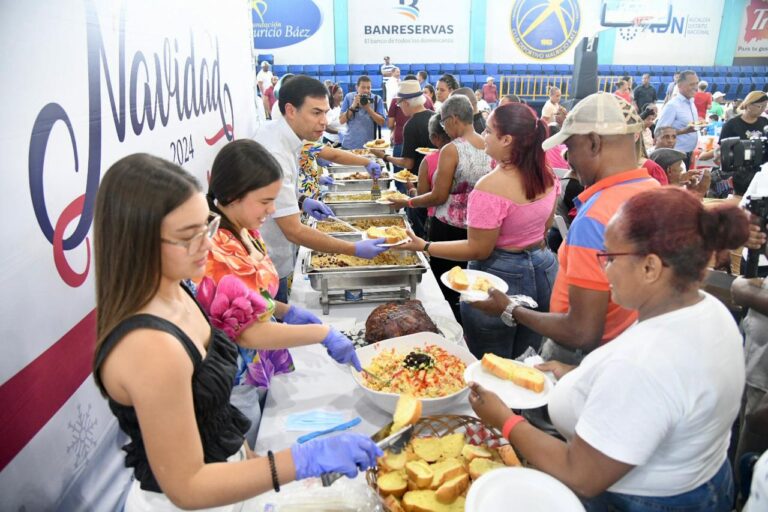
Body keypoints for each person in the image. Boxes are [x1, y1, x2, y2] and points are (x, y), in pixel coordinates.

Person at [92, 154, 381, 511]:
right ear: (137, 241)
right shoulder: (150, 347)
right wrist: (298, 461)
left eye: (207, 227)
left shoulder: (179, 289)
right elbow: (189, 486)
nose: (206, 244)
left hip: (227, 479)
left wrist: (251, 459)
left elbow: (215, 417)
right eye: (188, 236)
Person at [468, 187, 749, 510]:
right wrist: (579, 374)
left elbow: (582, 473)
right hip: (705, 481)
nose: (604, 270)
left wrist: (503, 419)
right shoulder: (707, 309)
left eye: (611, 258)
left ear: (650, 268)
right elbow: (671, 399)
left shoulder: (644, 363)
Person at [470, 92, 659, 364]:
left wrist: (510, 308)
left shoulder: (595, 219)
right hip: (623, 348)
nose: (568, 159)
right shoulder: (654, 191)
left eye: (571, 147)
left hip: (583, 358)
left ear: (593, 143)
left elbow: (582, 332)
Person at [202, 140, 363, 445]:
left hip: (256, 370)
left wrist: (287, 311)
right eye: (265, 201)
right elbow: (249, 334)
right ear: (234, 195)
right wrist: (321, 333)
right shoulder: (217, 252)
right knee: (252, 447)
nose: (272, 210)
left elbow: (253, 298)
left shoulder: (243, 227)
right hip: (233, 384)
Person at [401, 103, 558, 358]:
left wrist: (425, 246)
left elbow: (479, 249)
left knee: (489, 358)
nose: (483, 137)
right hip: (544, 268)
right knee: (527, 355)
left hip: (500, 275)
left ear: (506, 139)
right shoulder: (546, 174)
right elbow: (546, 226)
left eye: (487, 131)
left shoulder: (491, 186)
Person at [254, 76, 388, 302]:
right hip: (269, 262)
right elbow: (294, 230)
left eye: (326, 112)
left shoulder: (287, 136)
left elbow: (273, 193)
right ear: (291, 110)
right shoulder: (274, 152)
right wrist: (354, 249)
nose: (324, 121)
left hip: (277, 254)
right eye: (316, 113)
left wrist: (300, 200)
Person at [389, 95, 491, 321]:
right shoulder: (488, 144)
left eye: (444, 123)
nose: (444, 128)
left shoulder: (452, 150)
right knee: (470, 287)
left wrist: (408, 201)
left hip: (448, 229)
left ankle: (450, 329)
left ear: (454, 119)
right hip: (480, 230)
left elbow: (438, 196)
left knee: (446, 288)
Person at [371, 79, 435, 237]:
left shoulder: (411, 125)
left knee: (418, 228)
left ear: (406, 102)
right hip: (436, 182)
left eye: (400, 103)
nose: (400, 107)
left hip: (419, 184)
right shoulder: (435, 117)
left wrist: (385, 156)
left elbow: (408, 162)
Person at [657, 70, 700, 168]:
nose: (696, 87)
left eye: (697, 83)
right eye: (691, 84)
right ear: (680, 86)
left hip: (689, 152)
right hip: (675, 155)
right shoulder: (673, 105)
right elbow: (659, 131)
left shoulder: (691, 103)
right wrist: (684, 131)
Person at [415, 113, 452, 225]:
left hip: (438, 221)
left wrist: (411, 191)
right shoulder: (465, 153)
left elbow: (421, 198)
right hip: (465, 223)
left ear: (434, 137)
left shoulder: (428, 161)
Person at [339, 75, 387, 150]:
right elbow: (341, 120)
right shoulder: (349, 97)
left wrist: (368, 108)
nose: (366, 91)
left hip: (369, 146)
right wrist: (353, 105)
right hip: (349, 145)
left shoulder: (377, 99)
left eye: (368, 88)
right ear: (357, 87)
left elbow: (381, 122)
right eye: (363, 87)